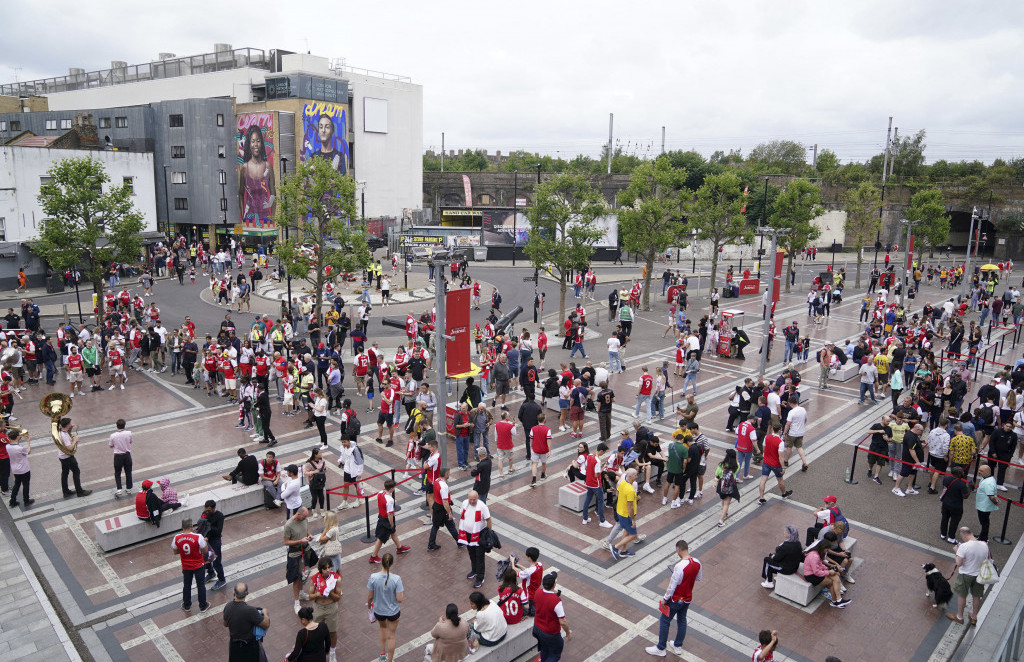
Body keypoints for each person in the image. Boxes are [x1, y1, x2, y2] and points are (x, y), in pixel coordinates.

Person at [645, 539, 702, 658]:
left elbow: (672, 586)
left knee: (665, 621)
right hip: (687, 598)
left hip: (675, 599)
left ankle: (661, 648)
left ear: (678, 549)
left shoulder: (679, 566)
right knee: (682, 620)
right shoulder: (697, 562)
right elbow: (698, 578)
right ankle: (678, 645)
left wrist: (665, 599)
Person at [946, 527, 989, 626]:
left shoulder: (964, 547)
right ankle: (974, 617)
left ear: (964, 535)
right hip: (979, 574)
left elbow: (959, 563)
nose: (963, 539)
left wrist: (957, 551)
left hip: (965, 574)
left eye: (962, 537)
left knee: (962, 595)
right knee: (976, 595)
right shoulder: (984, 545)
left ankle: (959, 617)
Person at [367, 553, 404, 662]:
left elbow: (370, 597)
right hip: (393, 612)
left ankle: (382, 655)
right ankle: (390, 660)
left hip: (379, 611)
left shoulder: (373, 577)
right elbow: (400, 599)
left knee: (382, 629)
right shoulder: (397, 579)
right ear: (391, 564)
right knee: (391, 635)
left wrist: (369, 607)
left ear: (381, 563)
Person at [223, 582, 270, 662]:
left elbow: (225, 624)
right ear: (247, 593)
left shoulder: (227, 606)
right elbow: (266, 624)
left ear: (233, 593)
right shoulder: (250, 611)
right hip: (250, 647)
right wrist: (265, 613)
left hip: (234, 645)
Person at [172, 518, 210, 613]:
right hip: (198, 565)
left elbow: (175, 551)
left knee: (187, 585)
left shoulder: (176, 537)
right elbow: (205, 551)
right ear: (191, 526)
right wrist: (204, 542)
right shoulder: (198, 537)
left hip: (186, 566)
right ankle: (202, 606)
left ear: (181, 527)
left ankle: (187, 605)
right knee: (201, 585)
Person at [532, 572, 571, 662]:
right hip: (551, 633)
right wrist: (568, 633)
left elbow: (543, 602)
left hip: (537, 628)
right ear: (554, 585)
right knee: (555, 655)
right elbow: (563, 622)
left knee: (544, 649)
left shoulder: (537, 592)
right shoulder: (556, 601)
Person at [803, 538, 851, 609]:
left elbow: (820, 565)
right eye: (827, 549)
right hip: (811, 575)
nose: (827, 551)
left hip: (816, 572)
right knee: (831, 582)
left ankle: (838, 600)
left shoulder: (816, 553)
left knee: (836, 576)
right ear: (823, 548)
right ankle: (836, 601)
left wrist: (830, 568)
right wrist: (828, 572)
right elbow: (816, 572)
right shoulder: (814, 556)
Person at [370, 479, 410, 562]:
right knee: (381, 539)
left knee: (393, 533)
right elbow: (390, 514)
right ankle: (373, 557)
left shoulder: (380, 493)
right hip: (386, 520)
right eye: (394, 487)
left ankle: (399, 548)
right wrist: (391, 524)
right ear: (391, 489)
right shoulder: (390, 500)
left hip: (381, 517)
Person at [309, 557, 341, 661]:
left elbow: (338, 597)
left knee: (332, 631)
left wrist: (330, 592)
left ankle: (332, 652)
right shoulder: (315, 579)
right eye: (325, 568)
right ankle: (319, 651)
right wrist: (318, 594)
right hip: (318, 608)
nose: (328, 570)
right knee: (315, 631)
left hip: (331, 607)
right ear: (321, 569)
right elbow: (310, 596)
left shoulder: (336, 579)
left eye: (329, 567)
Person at [459, 489, 492, 588]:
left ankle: (480, 577)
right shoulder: (465, 503)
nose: (472, 501)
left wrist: (489, 534)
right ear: (468, 498)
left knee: (479, 556)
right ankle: (474, 570)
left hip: (479, 535)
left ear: (477, 498)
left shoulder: (482, 506)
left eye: (474, 499)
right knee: (471, 553)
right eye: (470, 499)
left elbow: (489, 520)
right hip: (468, 535)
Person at [283, 507, 314, 614]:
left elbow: (306, 529)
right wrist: (300, 541)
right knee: (295, 578)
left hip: (305, 550)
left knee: (303, 573)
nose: (306, 518)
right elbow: (286, 542)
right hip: (295, 553)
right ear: (298, 514)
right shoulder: (288, 525)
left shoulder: (304, 519)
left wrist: (309, 535)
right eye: (304, 516)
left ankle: (301, 593)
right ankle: (296, 603)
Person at [56, 417, 91, 498]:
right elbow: (69, 448)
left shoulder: (61, 432)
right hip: (68, 457)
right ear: (67, 425)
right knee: (76, 472)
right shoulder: (64, 435)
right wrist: (75, 441)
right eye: (70, 424)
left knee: (65, 473)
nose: (71, 424)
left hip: (62, 456)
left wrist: (70, 430)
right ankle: (79, 491)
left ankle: (66, 491)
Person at [428, 468, 460, 551]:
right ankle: (459, 542)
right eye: (449, 473)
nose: (449, 474)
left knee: (435, 526)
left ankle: (431, 544)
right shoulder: (444, 487)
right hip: (443, 508)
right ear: (446, 475)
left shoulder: (436, 481)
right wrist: (449, 512)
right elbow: (445, 501)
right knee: (451, 525)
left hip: (437, 506)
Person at [611, 468, 639, 560]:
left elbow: (617, 494)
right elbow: (630, 506)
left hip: (620, 511)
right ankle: (615, 547)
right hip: (627, 515)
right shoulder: (630, 490)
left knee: (626, 532)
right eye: (635, 475)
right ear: (630, 476)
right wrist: (633, 519)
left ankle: (624, 551)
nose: (637, 476)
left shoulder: (622, 482)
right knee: (634, 535)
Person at [200, 499, 227, 590]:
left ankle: (221, 579)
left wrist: (208, 525)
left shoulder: (219, 516)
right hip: (207, 540)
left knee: (216, 561)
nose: (207, 512)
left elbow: (218, 531)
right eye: (206, 510)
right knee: (206, 559)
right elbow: (202, 525)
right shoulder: (205, 514)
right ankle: (211, 573)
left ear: (214, 508)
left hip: (215, 540)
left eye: (209, 510)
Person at [940, 467, 971, 543]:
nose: (963, 473)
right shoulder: (962, 484)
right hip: (956, 506)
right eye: (962, 472)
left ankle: (943, 534)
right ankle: (951, 537)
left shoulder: (946, 479)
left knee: (944, 518)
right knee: (954, 521)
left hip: (946, 502)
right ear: (959, 474)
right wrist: (970, 487)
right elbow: (965, 496)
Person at [6, 428, 32, 508]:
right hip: (24, 469)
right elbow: (28, 451)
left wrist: (18, 437)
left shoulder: (7, 446)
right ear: (17, 437)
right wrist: (28, 441)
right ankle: (26, 500)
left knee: (17, 484)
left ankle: (12, 501)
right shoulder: (20, 448)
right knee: (26, 485)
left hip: (15, 469)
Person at [109, 418, 134, 497]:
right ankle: (129, 488)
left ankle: (119, 489)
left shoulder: (113, 435)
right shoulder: (129, 433)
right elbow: (130, 441)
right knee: (128, 472)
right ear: (124, 425)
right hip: (127, 455)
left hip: (118, 456)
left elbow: (110, 445)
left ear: (117, 426)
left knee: (117, 473)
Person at [975, 465, 999, 542]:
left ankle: (984, 538)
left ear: (987, 472)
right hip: (983, 505)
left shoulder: (988, 483)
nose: (979, 472)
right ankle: (982, 535)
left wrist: (996, 502)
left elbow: (991, 496)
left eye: (981, 471)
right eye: (979, 470)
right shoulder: (986, 478)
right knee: (984, 522)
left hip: (984, 507)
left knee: (984, 522)